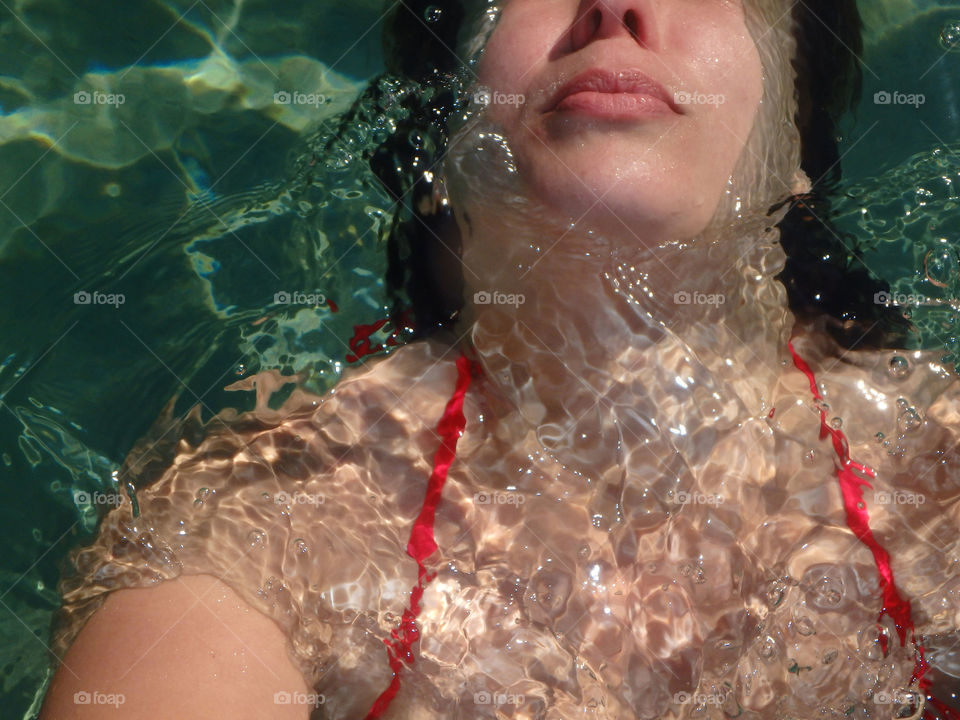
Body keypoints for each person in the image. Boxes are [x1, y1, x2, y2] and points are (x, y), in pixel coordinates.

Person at [40, 0, 960, 718]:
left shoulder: (939, 477)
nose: (613, 11)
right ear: (442, 130)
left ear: (799, 145)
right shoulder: (276, 514)